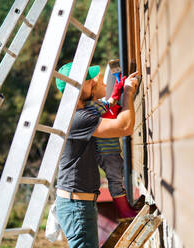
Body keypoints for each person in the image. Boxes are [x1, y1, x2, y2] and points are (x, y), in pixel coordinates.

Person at [54, 62, 138, 247]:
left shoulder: (81, 113)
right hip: (76, 206)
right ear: (75, 88)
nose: (93, 81)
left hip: (79, 203)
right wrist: (129, 93)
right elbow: (124, 127)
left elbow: (108, 109)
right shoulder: (78, 118)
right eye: (87, 80)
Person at [85, 74, 137, 221]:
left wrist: (118, 90)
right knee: (115, 180)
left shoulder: (98, 103)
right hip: (106, 153)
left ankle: (126, 208)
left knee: (118, 178)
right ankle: (124, 211)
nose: (105, 86)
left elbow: (109, 104)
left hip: (111, 151)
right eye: (102, 84)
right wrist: (120, 93)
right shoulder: (91, 107)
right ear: (92, 91)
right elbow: (109, 107)